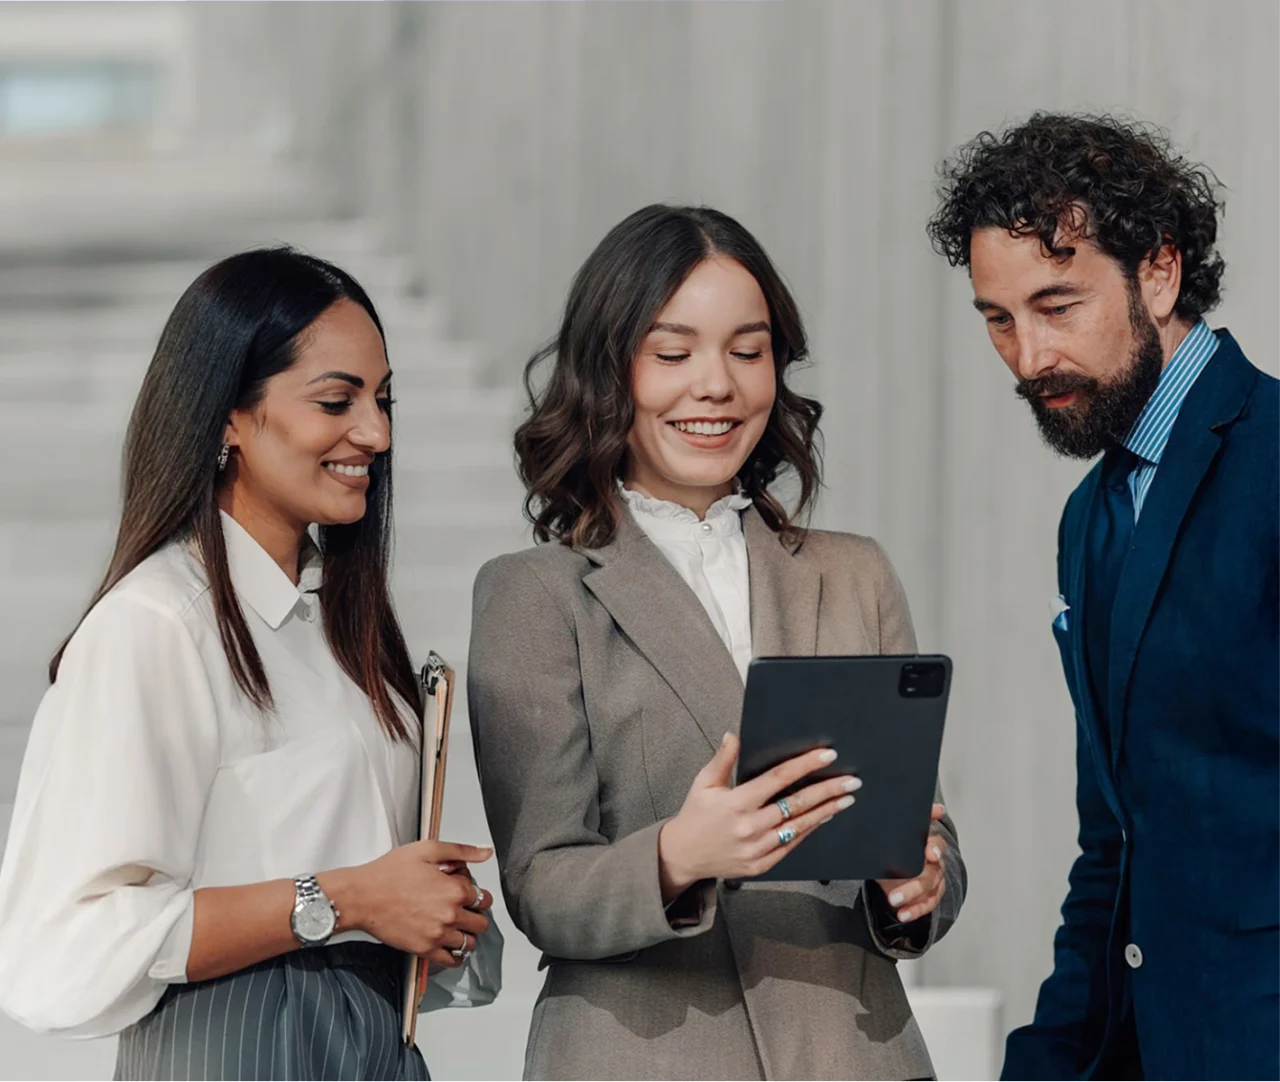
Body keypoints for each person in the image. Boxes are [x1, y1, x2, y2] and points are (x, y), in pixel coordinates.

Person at [467, 204, 966, 1080]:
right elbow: (540, 887)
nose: (718, 386)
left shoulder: (855, 574)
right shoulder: (533, 595)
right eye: (673, 353)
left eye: (748, 350)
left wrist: (923, 885)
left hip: (852, 1051)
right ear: (607, 370)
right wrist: (678, 855)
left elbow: (924, 828)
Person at [0, 247, 502, 1080]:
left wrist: (437, 913)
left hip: (373, 1047)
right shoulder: (156, 626)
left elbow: (376, 904)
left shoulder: (349, 629)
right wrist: (345, 897)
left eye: (383, 401)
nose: (375, 433)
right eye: (337, 401)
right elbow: (61, 942)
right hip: (233, 1048)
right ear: (229, 416)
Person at [928, 113, 1279, 1080]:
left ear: (1159, 274)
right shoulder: (1091, 514)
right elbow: (1115, 840)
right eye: (999, 319)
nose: (1029, 357)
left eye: (1057, 305)